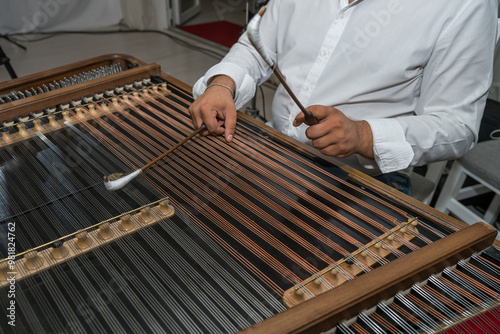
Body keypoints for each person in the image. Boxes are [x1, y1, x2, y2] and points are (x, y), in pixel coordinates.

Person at [189, 0, 498, 193]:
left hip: (361, 181)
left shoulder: (465, 5)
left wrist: (362, 135)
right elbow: (258, 48)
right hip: (275, 150)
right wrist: (223, 83)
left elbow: (459, 125)